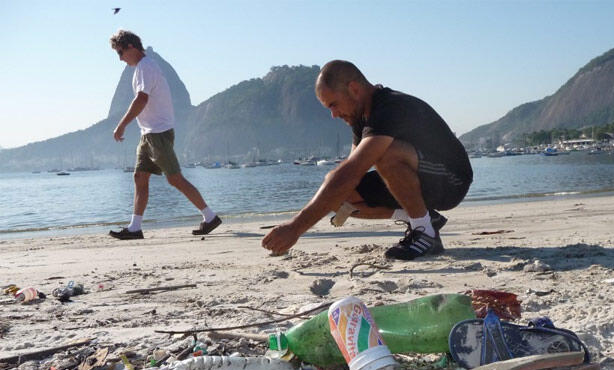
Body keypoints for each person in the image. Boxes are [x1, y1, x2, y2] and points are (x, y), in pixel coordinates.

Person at [261, 60, 472, 260]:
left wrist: (295, 227)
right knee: (341, 197)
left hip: (451, 181)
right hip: (419, 178)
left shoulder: (389, 107)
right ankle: (425, 220)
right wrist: (331, 200)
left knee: (384, 153)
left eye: (334, 104)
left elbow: (351, 171)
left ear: (354, 89)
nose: (333, 115)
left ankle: (424, 232)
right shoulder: (360, 117)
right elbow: (348, 177)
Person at [108, 30, 221, 240]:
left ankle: (210, 216)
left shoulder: (146, 67)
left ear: (131, 47)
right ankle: (135, 228)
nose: (120, 58)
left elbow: (141, 99)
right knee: (140, 177)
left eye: (121, 52)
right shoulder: (142, 68)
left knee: (175, 179)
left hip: (158, 132)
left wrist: (122, 125)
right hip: (148, 133)